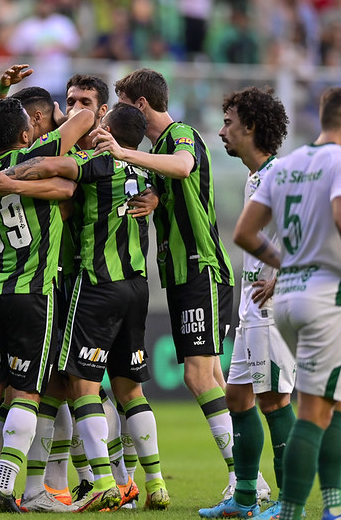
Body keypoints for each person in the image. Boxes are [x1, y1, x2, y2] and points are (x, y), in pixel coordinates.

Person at [0, 102, 169, 512]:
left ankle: (101, 481)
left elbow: (56, 171)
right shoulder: (146, 170)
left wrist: (4, 175)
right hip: (138, 286)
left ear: (107, 128)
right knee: (129, 389)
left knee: (79, 385)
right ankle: (153, 482)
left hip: (96, 285)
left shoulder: (97, 162)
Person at [92, 68, 239, 498]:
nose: (117, 113)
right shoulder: (157, 149)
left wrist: (124, 153)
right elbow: (167, 181)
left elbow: (184, 166)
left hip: (200, 266)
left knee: (198, 377)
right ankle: (247, 477)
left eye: (121, 103)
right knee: (211, 375)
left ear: (140, 104)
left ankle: (244, 479)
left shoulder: (180, 135)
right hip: (179, 274)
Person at [233, 87, 341, 520]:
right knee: (313, 407)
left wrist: (287, 263)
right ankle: (302, 510)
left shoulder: (288, 164)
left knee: (338, 394)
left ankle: (329, 504)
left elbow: (244, 233)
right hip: (325, 295)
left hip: (287, 300)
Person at [0, 98, 94, 513]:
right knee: (26, 393)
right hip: (32, 294)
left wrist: (1, 176)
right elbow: (83, 119)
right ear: (28, 132)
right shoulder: (38, 153)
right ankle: (5, 487)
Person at [199, 88, 296, 519]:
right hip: (251, 309)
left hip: (273, 310)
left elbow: (315, 227)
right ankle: (242, 499)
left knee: (275, 402)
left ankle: (289, 504)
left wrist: (282, 275)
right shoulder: (259, 178)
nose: (222, 131)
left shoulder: (281, 177)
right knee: (238, 397)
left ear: (251, 127)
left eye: (229, 123)